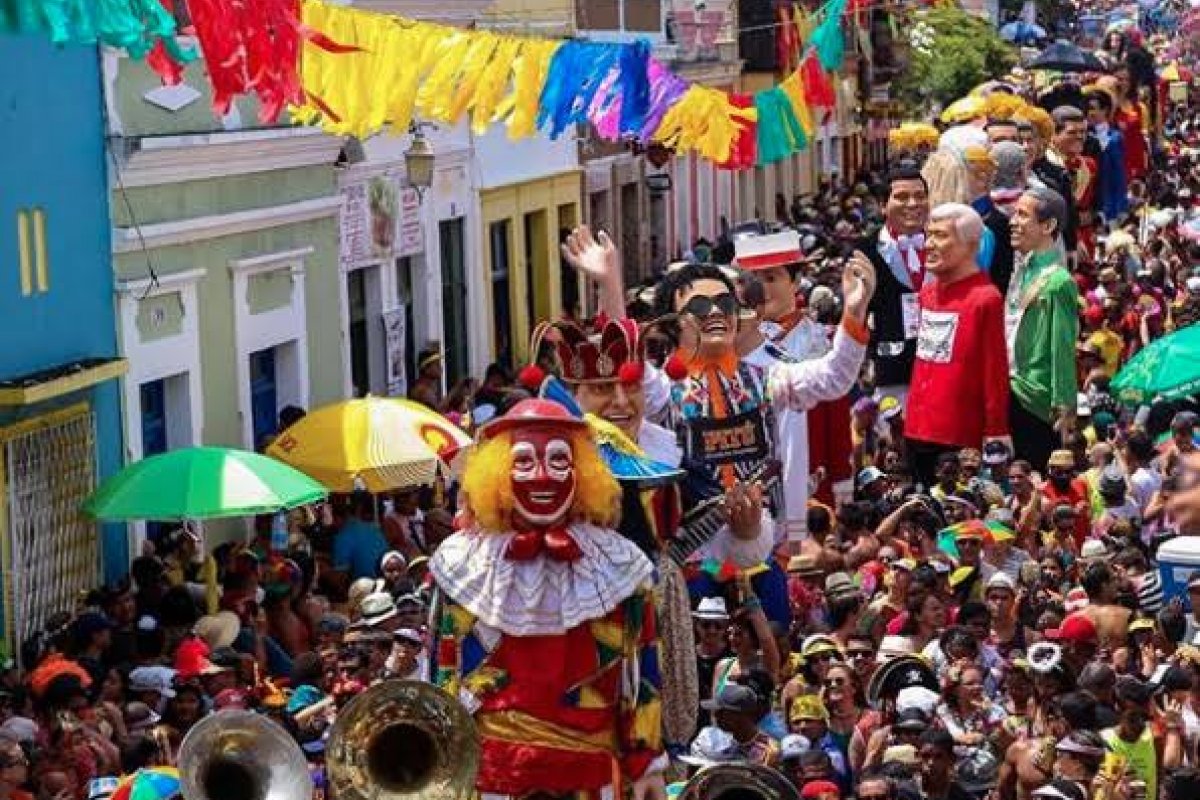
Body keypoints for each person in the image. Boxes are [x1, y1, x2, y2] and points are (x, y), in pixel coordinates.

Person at [428, 399, 665, 800]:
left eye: (558, 461)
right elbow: (443, 671)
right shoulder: (460, 565)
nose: (542, 477)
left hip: (590, 779)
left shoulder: (622, 567)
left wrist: (646, 761)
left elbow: (641, 675)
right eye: (523, 462)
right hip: (490, 779)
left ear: (582, 472)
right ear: (498, 473)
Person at [904, 203, 1010, 489]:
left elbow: (994, 372)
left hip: (957, 434)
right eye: (929, 235)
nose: (930, 244)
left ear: (971, 244)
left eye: (941, 236)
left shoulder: (986, 298)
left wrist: (995, 431)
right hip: (916, 426)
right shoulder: (926, 294)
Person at [1007, 187, 1080, 470]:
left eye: (1022, 215)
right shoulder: (1023, 270)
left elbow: (1062, 346)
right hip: (1012, 388)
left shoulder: (1058, 281)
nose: (1013, 221)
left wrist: (1065, 405)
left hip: (1036, 401)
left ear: (1048, 226)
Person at [861, 167, 933, 405]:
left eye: (920, 196)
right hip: (891, 378)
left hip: (941, 371)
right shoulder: (866, 251)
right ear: (883, 205)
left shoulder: (945, 244)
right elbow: (857, 316)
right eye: (902, 197)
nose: (913, 204)